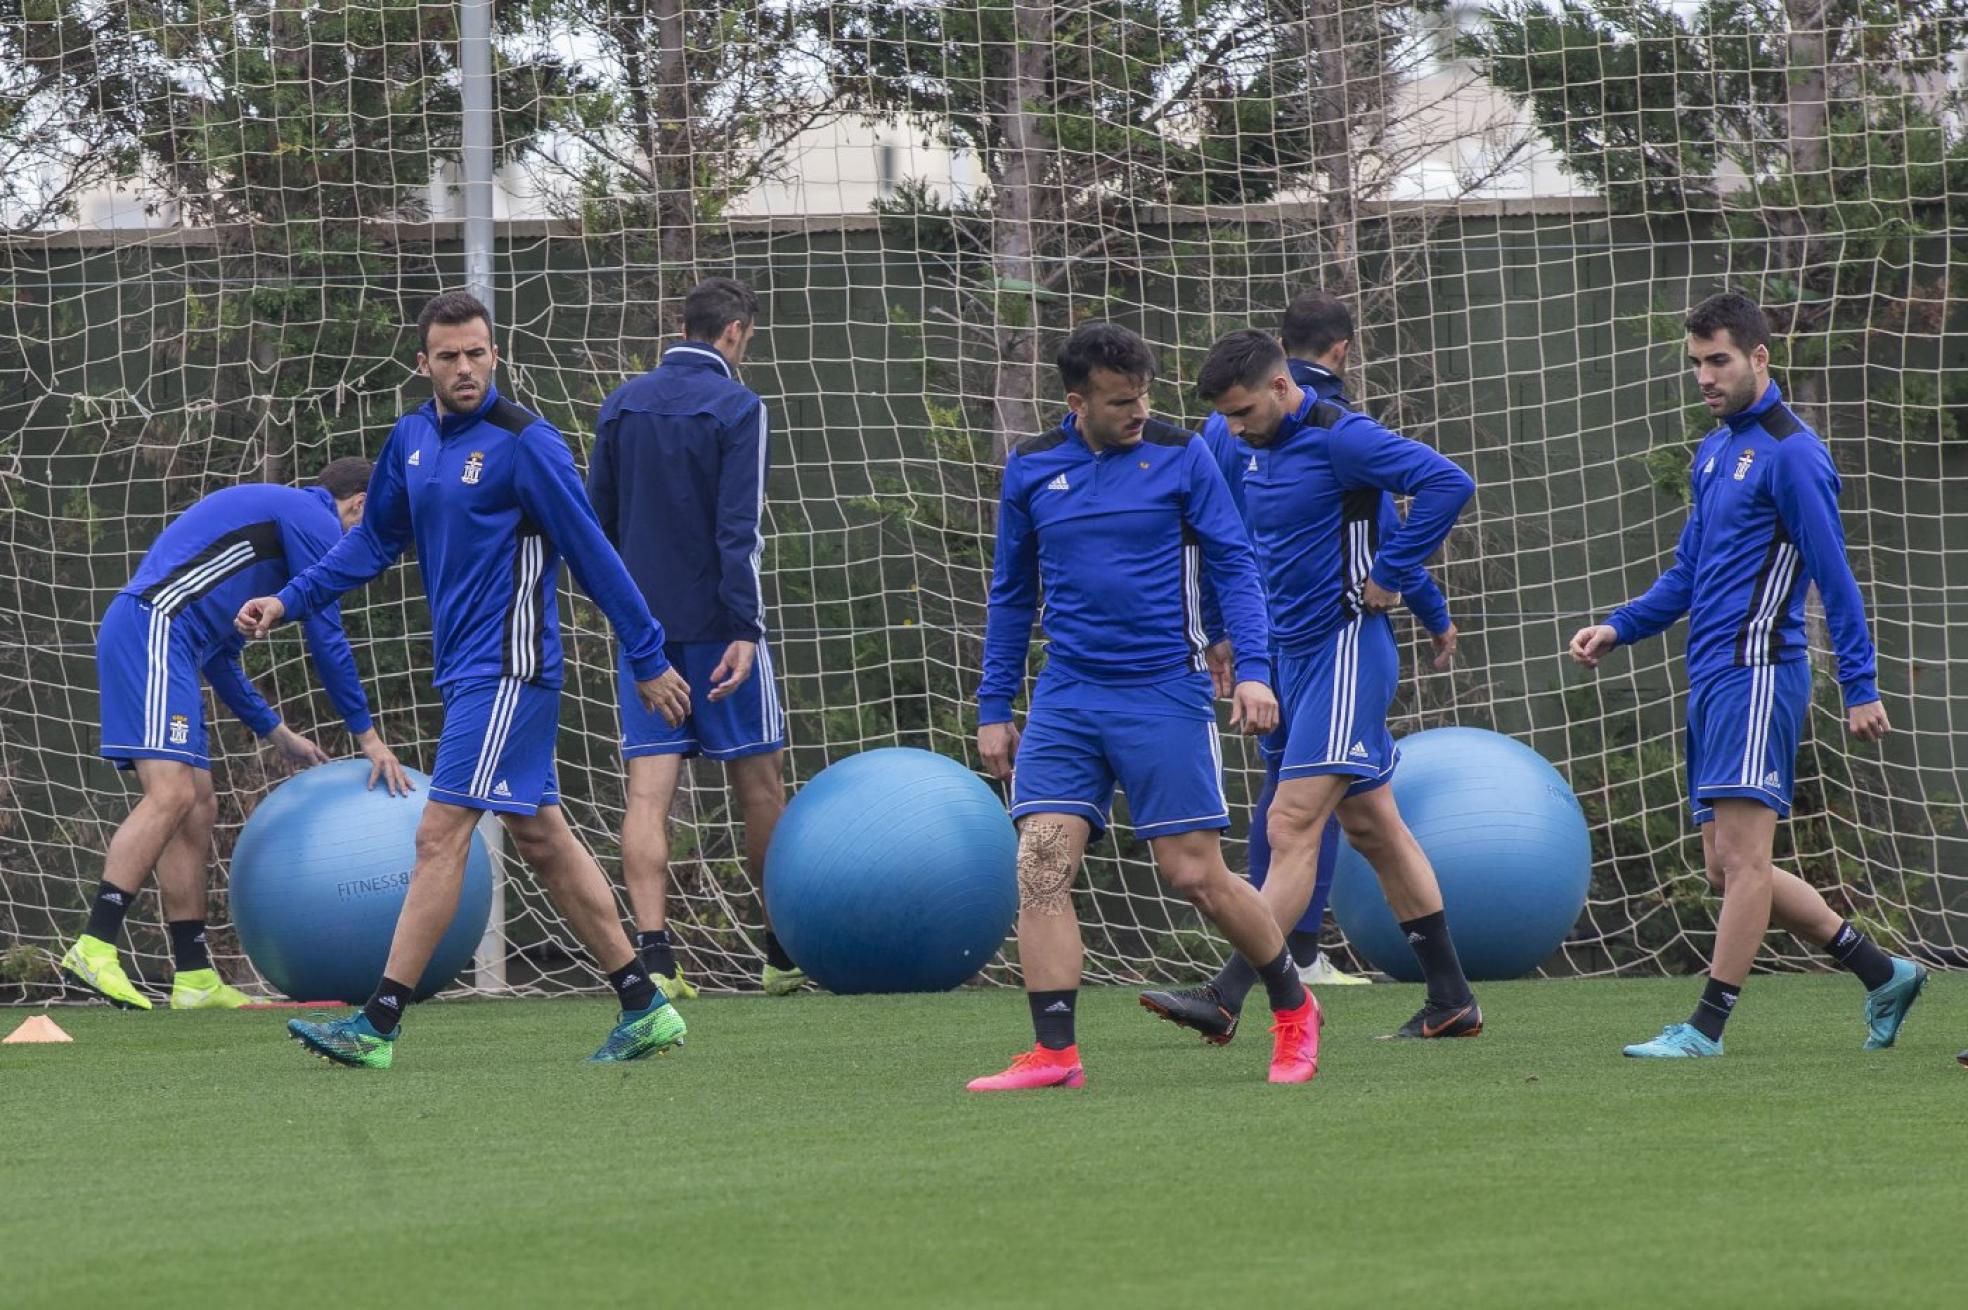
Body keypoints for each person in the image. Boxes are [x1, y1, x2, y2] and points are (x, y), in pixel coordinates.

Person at [237, 291, 692, 1069]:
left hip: (510, 667)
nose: (464, 367)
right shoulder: (411, 437)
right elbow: (371, 543)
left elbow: (592, 552)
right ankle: (644, 1004)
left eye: (476, 352)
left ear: (495, 354)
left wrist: (647, 656)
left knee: (438, 834)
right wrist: (288, 597)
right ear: (424, 364)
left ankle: (376, 1025)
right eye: (448, 356)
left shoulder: (526, 443)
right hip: (469, 671)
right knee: (541, 835)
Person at [1569, 290, 1924, 1058]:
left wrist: (1860, 684)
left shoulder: (1793, 452)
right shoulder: (1715, 449)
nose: (1704, 375)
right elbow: (1688, 573)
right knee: (1729, 868)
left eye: (1719, 360)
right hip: (1714, 678)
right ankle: (1882, 970)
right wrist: (1619, 626)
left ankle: (1706, 1028)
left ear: (1760, 358)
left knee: (1747, 863)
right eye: (1695, 363)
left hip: (1760, 672)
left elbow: (1835, 574)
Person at [968, 322, 1321, 1093]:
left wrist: (1255, 670)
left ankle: (1295, 1008)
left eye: (1144, 397)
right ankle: (1055, 1054)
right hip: (1067, 693)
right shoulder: (1030, 468)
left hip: (1165, 687)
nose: (1139, 411)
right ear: (1077, 402)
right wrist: (995, 703)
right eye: (1121, 401)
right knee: (1041, 865)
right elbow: (1010, 593)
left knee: (1193, 873)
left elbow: (1235, 562)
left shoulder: (1182, 453)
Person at [1143, 328, 1481, 1043]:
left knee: (1290, 824)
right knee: (1373, 827)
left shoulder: (1342, 438)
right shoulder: (1241, 444)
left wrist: (1393, 578)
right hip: (1290, 658)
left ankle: (1231, 993)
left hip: (1347, 648)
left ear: (1280, 387)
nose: (1233, 429)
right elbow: (1226, 545)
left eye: (1243, 412)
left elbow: (1449, 482)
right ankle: (1451, 996)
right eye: (1225, 418)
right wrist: (1222, 634)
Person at [63, 459, 410, 1011]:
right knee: (171, 794)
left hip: (176, 641)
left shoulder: (277, 543)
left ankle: (196, 977)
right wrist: (366, 735)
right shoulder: (312, 516)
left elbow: (222, 659)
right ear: (360, 503)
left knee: (198, 805)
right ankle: (95, 944)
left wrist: (276, 731)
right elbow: (326, 631)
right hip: (154, 628)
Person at [587, 277, 797, 999]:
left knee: (648, 793)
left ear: (681, 324)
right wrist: (744, 625)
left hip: (645, 634)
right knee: (760, 786)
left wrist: (627, 620)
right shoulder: (739, 404)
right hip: (720, 631)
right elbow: (738, 529)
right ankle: (781, 952)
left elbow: (597, 528)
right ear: (735, 332)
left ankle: (654, 957)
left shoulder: (621, 402)